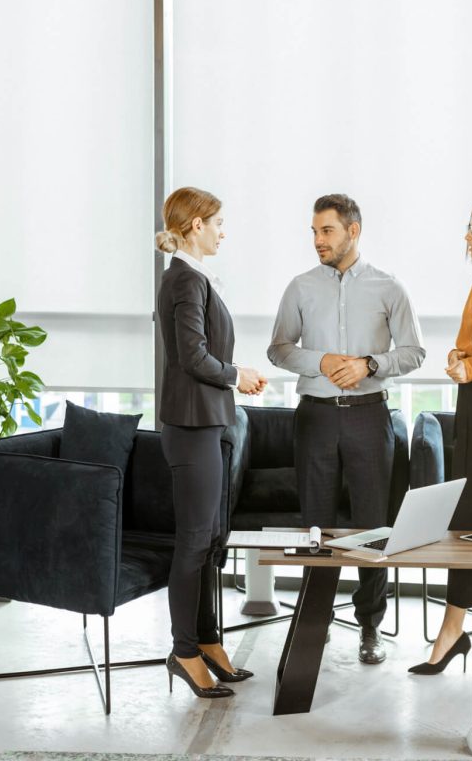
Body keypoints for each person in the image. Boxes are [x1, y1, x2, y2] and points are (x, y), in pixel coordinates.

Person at [268, 193, 425, 665]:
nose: (318, 240)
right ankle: (314, 624)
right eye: (314, 232)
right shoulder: (299, 287)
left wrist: (369, 364)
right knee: (314, 527)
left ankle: (370, 627)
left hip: (368, 415)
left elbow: (414, 352)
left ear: (353, 231)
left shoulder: (388, 287)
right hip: (314, 417)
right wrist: (322, 361)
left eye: (327, 231)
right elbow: (278, 349)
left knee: (373, 527)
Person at [156, 186, 267, 698]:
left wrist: (232, 381)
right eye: (219, 222)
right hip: (192, 425)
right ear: (196, 225)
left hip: (210, 422)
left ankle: (208, 641)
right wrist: (236, 375)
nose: (224, 231)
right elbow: (192, 357)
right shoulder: (184, 280)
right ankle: (183, 652)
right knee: (195, 541)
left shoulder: (195, 278)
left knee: (209, 541)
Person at [409, 201, 472, 675]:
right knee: (467, 520)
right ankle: (453, 630)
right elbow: (468, 342)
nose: (467, 237)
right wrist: (458, 358)